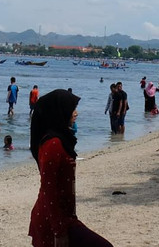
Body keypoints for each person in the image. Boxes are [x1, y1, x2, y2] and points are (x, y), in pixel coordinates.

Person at [29, 89, 112, 247]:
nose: (76, 113)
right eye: (72, 109)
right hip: (52, 219)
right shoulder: (52, 144)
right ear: (59, 112)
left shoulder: (61, 140)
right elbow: (49, 189)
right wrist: (58, 231)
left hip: (64, 216)